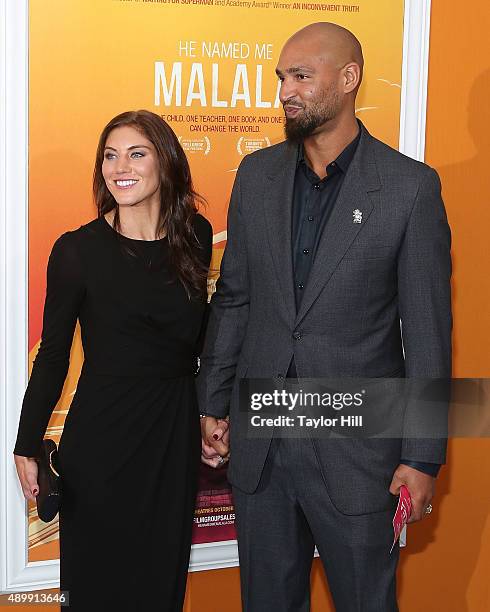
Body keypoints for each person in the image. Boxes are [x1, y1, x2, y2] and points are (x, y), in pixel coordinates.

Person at [197, 23, 451, 611]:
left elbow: (429, 336)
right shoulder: (256, 178)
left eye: (301, 76)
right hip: (261, 448)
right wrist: (213, 401)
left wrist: (422, 456)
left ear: (349, 79)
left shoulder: (409, 189)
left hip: (358, 454)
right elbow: (234, 298)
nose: (286, 90)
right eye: (282, 77)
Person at [13, 110, 213, 611]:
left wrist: (215, 412)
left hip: (172, 434)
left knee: (160, 584)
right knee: (95, 589)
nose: (119, 167)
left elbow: (204, 341)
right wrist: (25, 444)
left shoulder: (196, 236)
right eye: (110, 155)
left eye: (136, 153)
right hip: (101, 440)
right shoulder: (77, 252)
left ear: (165, 163)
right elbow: (54, 354)